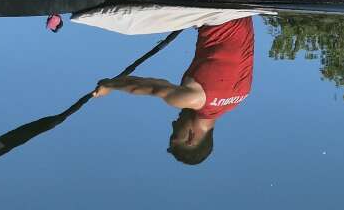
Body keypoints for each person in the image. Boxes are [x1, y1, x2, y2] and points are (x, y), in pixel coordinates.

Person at [93, 16, 255, 164]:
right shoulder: (195, 99)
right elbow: (150, 88)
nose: (173, 124)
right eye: (174, 135)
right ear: (190, 138)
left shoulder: (241, 96)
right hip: (217, 12)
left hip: (242, 13)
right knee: (133, 23)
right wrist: (110, 85)